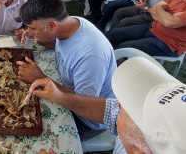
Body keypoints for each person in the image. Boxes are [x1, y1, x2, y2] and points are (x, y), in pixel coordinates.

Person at [17, 0, 116, 141]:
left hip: (87, 118)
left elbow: (85, 104)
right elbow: (63, 47)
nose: (29, 31)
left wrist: (41, 78)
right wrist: (38, 36)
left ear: (51, 25)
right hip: (67, 87)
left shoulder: (89, 55)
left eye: (33, 28)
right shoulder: (70, 24)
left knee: (26, 130)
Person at [37, 57, 186, 154]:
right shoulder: (140, 136)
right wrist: (60, 96)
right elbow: (108, 110)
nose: (118, 101)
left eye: (124, 107)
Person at [107, 0, 186, 57]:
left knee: (124, 46)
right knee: (114, 34)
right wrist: (166, 13)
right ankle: (107, 52)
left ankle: (114, 62)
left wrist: (159, 12)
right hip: (152, 27)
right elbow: (158, 7)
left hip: (168, 42)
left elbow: (167, 22)